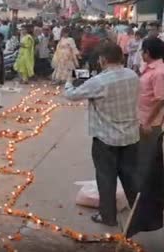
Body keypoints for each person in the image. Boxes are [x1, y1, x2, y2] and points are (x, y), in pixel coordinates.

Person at [64, 42, 140, 227]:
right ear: (121, 58)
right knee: (130, 177)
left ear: (103, 59)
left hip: (106, 139)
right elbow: (101, 78)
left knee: (106, 178)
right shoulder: (132, 75)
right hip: (130, 136)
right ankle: (139, 215)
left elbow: (72, 95)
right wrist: (86, 75)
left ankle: (108, 216)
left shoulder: (98, 82)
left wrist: (68, 81)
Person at [128, 38, 164, 238]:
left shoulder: (159, 72)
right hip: (143, 120)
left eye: (143, 50)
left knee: (144, 164)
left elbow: (161, 99)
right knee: (149, 161)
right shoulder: (151, 68)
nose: (141, 53)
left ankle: (141, 209)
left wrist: (149, 122)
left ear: (148, 52)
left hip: (149, 125)